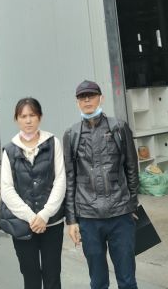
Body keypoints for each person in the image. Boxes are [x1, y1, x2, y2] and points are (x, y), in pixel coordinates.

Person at [63, 80, 139, 289]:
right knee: (98, 281)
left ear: (101, 98)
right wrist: (72, 220)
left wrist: (132, 205)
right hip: (88, 218)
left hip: (120, 214)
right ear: (77, 102)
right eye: (82, 97)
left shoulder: (119, 127)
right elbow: (70, 178)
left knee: (127, 279)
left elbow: (132, 168)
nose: (87, 100)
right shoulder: (71, 134)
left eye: (92, 95)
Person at [0, 97, 66, 289]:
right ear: (16, 119)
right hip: (22, 224)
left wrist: (45, 215)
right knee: (31, 277)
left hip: (51, 222)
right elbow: (7, 189)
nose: (28, 120)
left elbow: (60, 180)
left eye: (32, 115)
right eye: (23, 116)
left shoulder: (53, 143)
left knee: (53, 275)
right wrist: (31, 217)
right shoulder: (9, 150)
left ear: (40, 117)